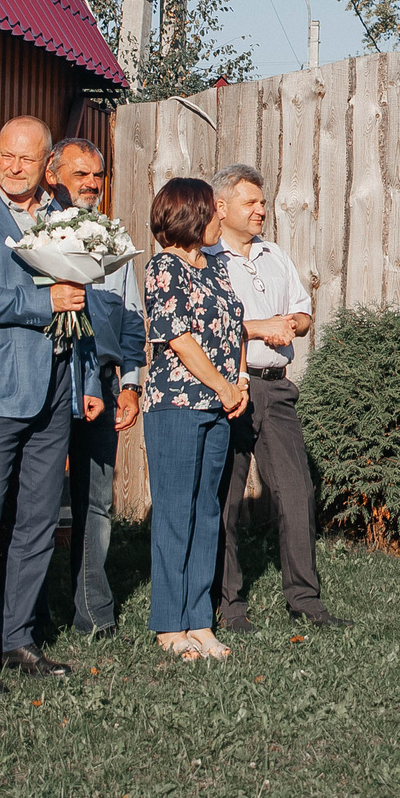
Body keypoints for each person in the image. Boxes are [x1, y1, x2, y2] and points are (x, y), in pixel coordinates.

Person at [0, 116, 85, 693]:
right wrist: (42, 300)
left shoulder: (65, 217)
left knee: (37, 520)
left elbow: (81, 294)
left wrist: (88, 383)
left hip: (56, 385)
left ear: (47, 163)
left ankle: (18, 639)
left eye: (28, 159)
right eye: (7, 155)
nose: (15, 166)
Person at [210, 163, 347, 632]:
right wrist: (257, 327)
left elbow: (304, 310)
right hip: (229, 389)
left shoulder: (273, 254)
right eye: (250, 202)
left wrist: (295, 324)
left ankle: (306, 601)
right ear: (220, 206)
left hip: (277, 388)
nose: (260, 211)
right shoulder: (207, 261)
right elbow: (202, 329)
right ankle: (229, 605)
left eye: (263, 202)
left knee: (296, 492)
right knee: (224, 499)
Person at [139, 176, 246, 661]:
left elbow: (234, 327)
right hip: (177, 407)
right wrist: (222, 386)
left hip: (219, 407)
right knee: (175, 514)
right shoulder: (164, 267)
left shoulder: (213, 267)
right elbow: (178, 338)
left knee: (208, 514)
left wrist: (238, 381)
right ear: (191, 215)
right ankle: (168, 624)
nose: (219, 219)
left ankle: (199, 621)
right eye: (212, 212)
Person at [47, 137, 140, 639]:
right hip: (50, 378)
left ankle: (94, 614)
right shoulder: (38, 233)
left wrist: (129, 384)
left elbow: (131, 318)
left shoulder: (114, 238)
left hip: (104, 384)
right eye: (78, 174)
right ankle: (29, 615)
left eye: (95, 176)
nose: (89, 184)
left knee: (96, 499)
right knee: (38, 500)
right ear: (52, 176)